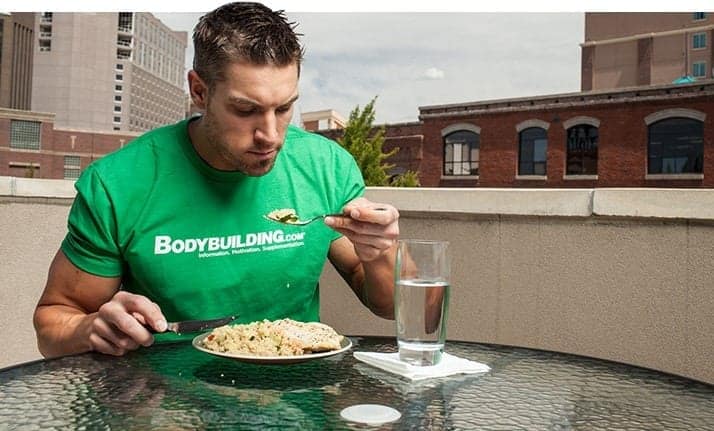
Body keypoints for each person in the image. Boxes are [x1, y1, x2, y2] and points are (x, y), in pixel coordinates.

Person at [33, 2, 399, 358]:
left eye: (284, 108)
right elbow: (54, 322)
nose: (270, 135)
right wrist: (91, 328)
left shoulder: (327, 167)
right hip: (163, 405)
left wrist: (379, 252)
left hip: (294, 400)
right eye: (246, 110)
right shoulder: (118, 183)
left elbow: (389, 305)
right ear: (199, 92)